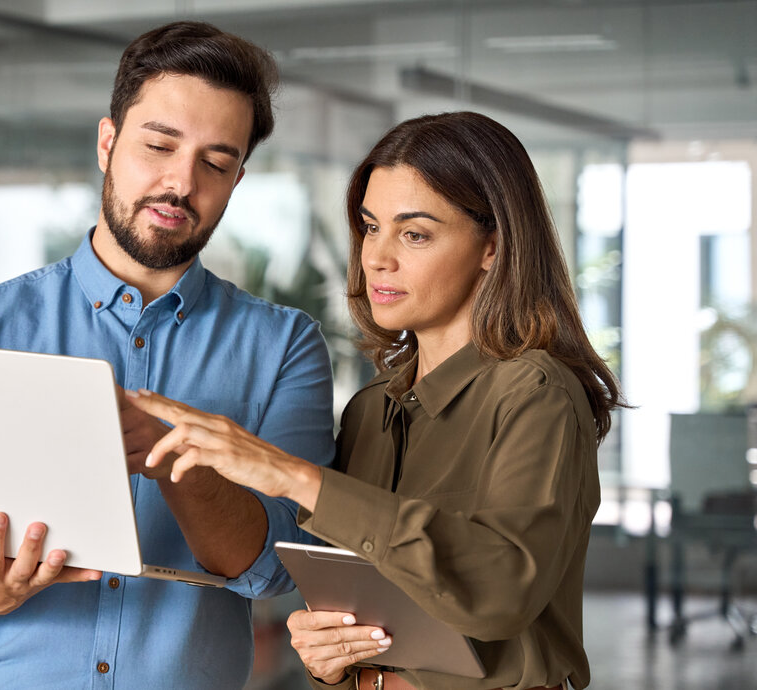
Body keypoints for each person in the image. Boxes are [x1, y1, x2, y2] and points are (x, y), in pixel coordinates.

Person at [0, 21, 337, 689]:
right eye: (158, 145)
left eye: (215, 163)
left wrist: (171, 451)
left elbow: (273, 569)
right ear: (107, 143)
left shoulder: (284, 346)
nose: (180, 183)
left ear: (237, 179)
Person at [129, 111, 624, 690]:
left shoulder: (536, 392)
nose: (377, 258)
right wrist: (330, 659)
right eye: (370, 227)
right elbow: (368, 613)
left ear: (492, 246)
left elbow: (501, 591)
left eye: (414, 234)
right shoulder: (370, 412)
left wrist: (293, 476)